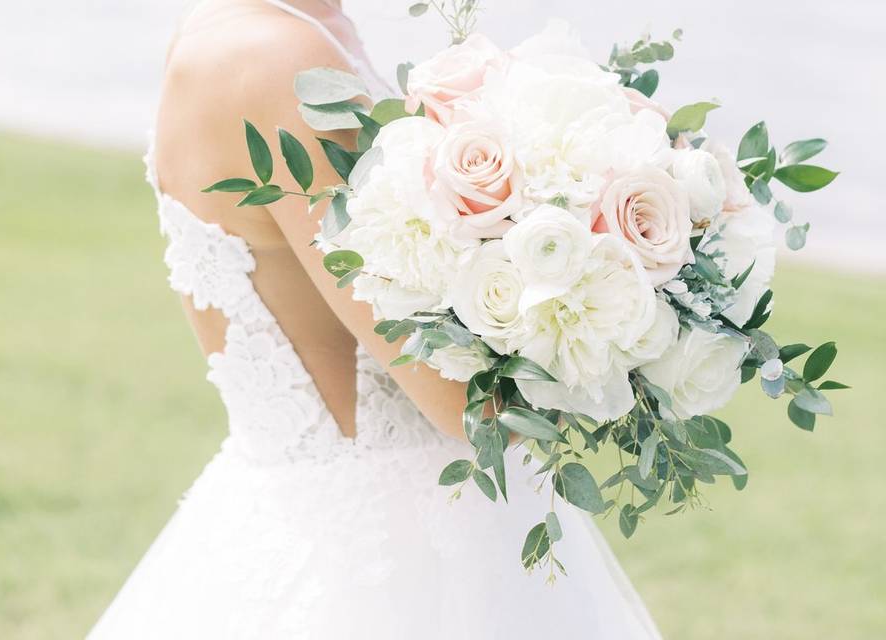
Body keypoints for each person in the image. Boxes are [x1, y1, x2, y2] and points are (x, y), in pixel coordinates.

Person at [88, 1, 663, 637]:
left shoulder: (280, 26)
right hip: (386, 557)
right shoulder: (278, 60)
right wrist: (631, 301)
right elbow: (464, 403)